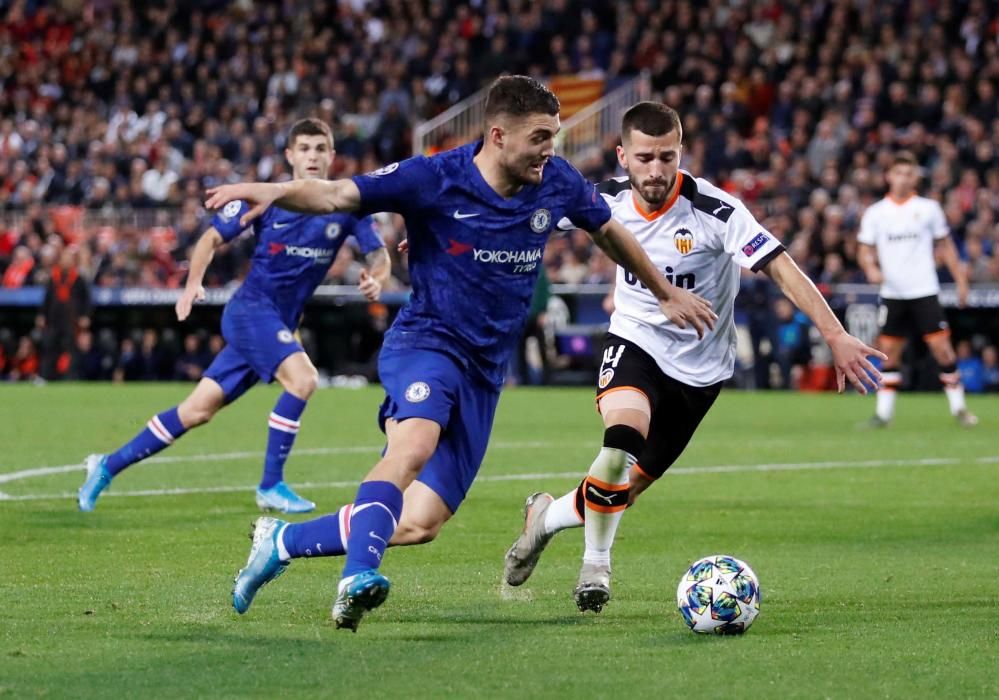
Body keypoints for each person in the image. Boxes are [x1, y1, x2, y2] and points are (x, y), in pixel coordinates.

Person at [205, 76, 718, 632]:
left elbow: (610, 232)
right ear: (498, 135)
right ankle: (356, 577)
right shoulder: (433, 177)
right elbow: (336, 195)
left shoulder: (558, 181)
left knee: (421, 522)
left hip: (484, 369)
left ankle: (282, 541)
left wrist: (664, 292)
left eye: (554, 135)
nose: (551, 148)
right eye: (540, 137)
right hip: (427, 342)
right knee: (414, 443)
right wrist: (273, 190)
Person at [502, 102, 884, 612]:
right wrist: (450, 235)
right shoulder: (603, 201)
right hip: (635, 340)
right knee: (621, 439)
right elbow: (520, 207)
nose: (656, 170)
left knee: (622, 488)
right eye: (644, 158)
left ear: (681, 153)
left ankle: (544, 519)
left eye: (667, 156)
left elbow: (781, 267)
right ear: (623, 156)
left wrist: (834, 333)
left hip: (700, 370)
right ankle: (597, 563)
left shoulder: (714, 209)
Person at [77, 118, 390, 513]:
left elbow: (379, 255)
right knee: (304, 379)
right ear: (290, 156)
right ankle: (270, 486)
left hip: (276, 323)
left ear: (332, 155)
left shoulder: (347, 206)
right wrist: (192, 284)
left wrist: (376, 278)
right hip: (250, 312)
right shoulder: (267, 197)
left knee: (196, 410)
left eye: (320, 148)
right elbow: (210, 238)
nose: (312, 156)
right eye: (305, 149)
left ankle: (106, 465)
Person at [857, 151, 977, 428]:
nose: (902, 179)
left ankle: (959, 409)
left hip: (924, 289)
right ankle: (883, 414)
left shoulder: (928, 209)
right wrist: (871, 268)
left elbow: (945, 246)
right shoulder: (876, 213)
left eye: (908, 174)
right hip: (893, 293)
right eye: (898, 173)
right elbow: (864, 250)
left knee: (942, 349)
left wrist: (960, 280)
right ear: (889, 176)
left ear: (915, 179)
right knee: (889, 351)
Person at [37, 246, 91, 380]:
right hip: (54, 319)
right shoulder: (53, 278)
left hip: (71, 319)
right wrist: (42, 315)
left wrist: (85, 316)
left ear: (73, 262)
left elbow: (87, 300)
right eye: (64, 259)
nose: (66, 262)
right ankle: (45, 377)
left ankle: (71, 377)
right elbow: (47, 298)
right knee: (49, 348)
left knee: (71, 349)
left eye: (69, 259)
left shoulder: (78, 279)